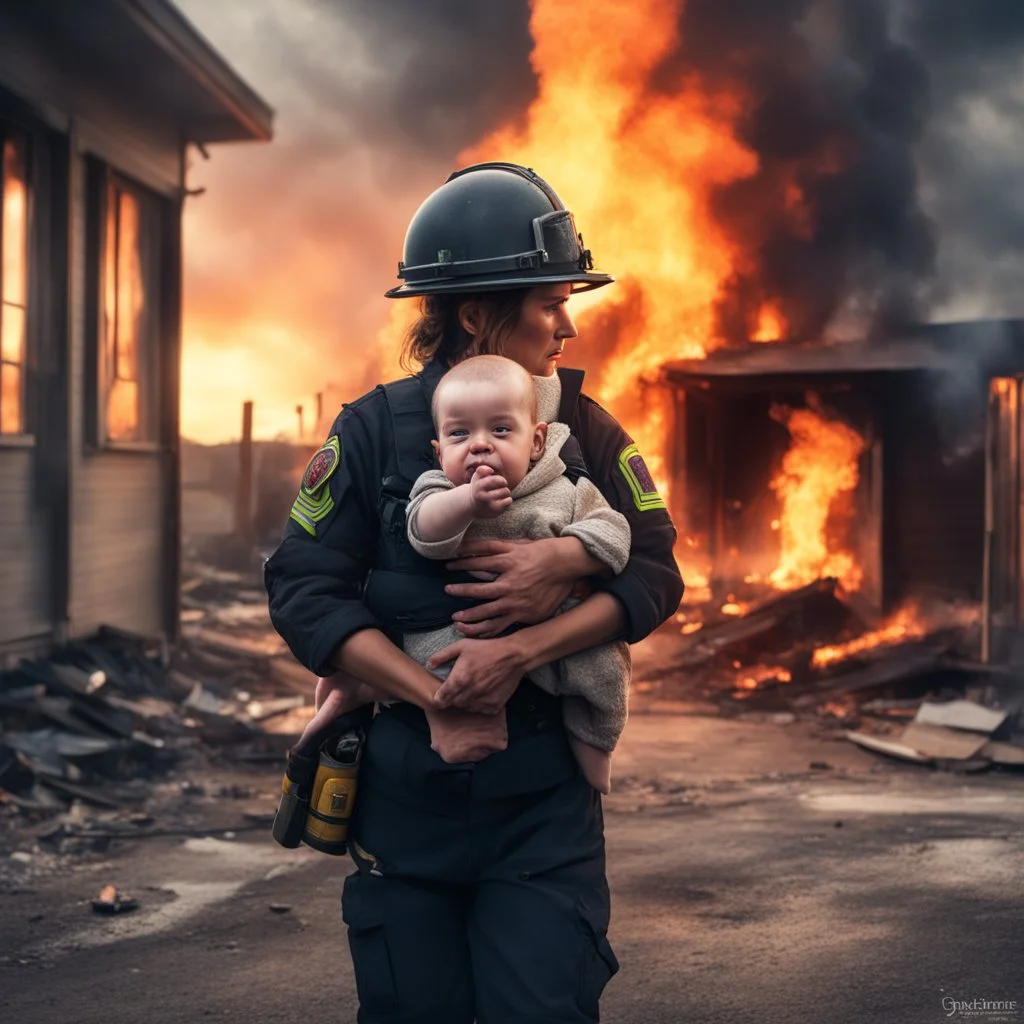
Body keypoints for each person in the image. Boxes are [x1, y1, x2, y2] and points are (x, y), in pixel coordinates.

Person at [265, 161, 684, 1024]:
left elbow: (655, 570)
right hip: (405, 802)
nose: (567, 326)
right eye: (549, 303)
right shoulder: (374, 432)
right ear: (477, 315)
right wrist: (436, 696)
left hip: (542, 811)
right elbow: (304, 589)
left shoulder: (585, 431)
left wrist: (554, 582)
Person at [301, 352, 633, 793]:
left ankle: (594, 745)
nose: (480, 444)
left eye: (500, 430)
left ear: (537, 442)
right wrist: (467, 503)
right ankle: (361, 687)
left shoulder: (566, 487)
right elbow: (423, 529)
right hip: (451, 635)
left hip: (552, 642)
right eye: (460, 434)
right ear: (438, 452)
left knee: (605, 673)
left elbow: (617, 532)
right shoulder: (438, 486)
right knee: (436, 665)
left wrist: (568, 556)